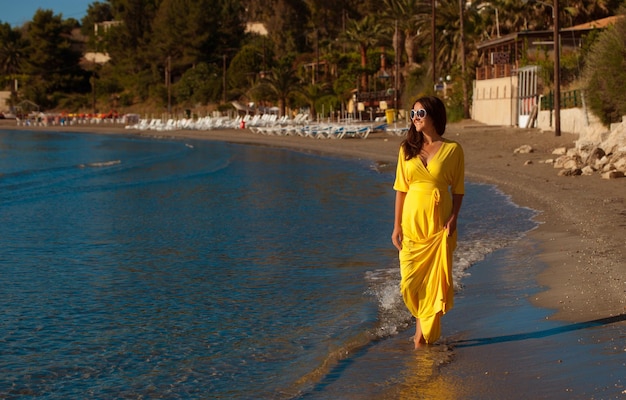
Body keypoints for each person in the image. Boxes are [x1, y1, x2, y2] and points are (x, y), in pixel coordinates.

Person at [391, 96, 465, 349]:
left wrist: (454, 217)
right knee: (410, 283)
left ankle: (420, 337)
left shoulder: (453, 150)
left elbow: (458, 189)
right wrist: (396, 226)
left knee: (432, 282)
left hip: (438, 225)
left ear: (434, 116)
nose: (415, 118)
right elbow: (401, 189)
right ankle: (420, 334)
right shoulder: (406, 149)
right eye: (412, 113)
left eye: (420, 113)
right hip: (411, 225)